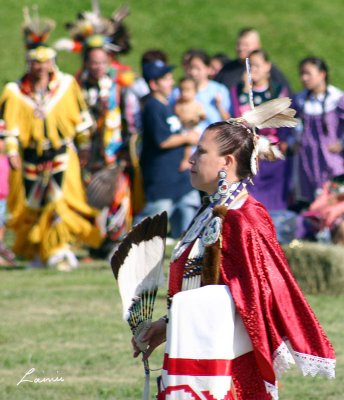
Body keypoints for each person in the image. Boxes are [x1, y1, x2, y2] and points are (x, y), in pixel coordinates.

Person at [132, 102, 335, 399]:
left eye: (201, 152)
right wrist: (168, 325)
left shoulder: (245, 217)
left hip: (227, 369)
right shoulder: (212, 211)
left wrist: (184, 313)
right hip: (200, 354)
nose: (191, 159)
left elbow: (254, 293)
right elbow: (206, 284)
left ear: (226, 162)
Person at [0, 10, 102, 270]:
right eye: (36, 62)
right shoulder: (14, 91)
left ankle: (59, 248)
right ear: (29, 63)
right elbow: (8, 126)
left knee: (60, 201)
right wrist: (11, 151)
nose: (41, 67)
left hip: (61, 153)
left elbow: (81, 120)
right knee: (33, 204)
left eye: (45, 62)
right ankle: (38, 251)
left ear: (52, 62)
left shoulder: (67, 86)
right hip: (31, 156)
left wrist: (85, 148)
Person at [230, 49, 295, 243]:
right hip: (249, 153)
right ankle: (252, 237)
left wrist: (280, 143)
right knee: (251, 200)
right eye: (250, 67)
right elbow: (235, 118)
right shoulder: (238, 92)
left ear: (268, 67)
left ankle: (276, 238)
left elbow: (285, 120)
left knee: (275, 203)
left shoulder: (277, 91)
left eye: (257, 65)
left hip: (273, 155)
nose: (253, 70)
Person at [135, 60, 201, 239]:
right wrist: (188, 137)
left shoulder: (166, 104)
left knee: (189, 212)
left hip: (179, 176)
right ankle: (127, 249)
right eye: (166, 79)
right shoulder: (152, 107)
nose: (172, 82)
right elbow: (162, 140)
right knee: (154, 218)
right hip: (161, 178)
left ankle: (185, 254)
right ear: (154, 84)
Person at [293, 57, 344, 204]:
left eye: (308, 73)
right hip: (307, 161)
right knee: (311, 202)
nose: (304, 78)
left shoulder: (336, 98)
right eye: (302, 74)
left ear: (322, 74)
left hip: (331, 160)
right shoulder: (300, 99)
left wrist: (341, 143)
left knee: (333, 200)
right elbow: (292, 125)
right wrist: (294, 141)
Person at [215, 28, 292, 95]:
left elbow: (286, 95)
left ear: (257, 45)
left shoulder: (269, 70)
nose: (241, 48)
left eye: (245, 45)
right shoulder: (227, 69)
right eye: (238, 44)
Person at [172, 49, 231, 135]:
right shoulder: (178, 91)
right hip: (186, 141)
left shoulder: (219, 90)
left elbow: (228, 121)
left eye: (198, 68)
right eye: (191, 68)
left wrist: (219, 106)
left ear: (208, 69)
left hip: (214, 140)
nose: (193, 73)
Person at [174, 77, 206, 171]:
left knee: (191, 142)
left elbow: (202, 115)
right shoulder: (179, 103)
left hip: (195, 127)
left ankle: (187, 160)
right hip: (184, 127)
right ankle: (186, 159)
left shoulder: (196, 104)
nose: (184, 93)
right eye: (181, 90)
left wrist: (198, 118)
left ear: (195, 92)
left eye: (187, 90)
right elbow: (177, 113)